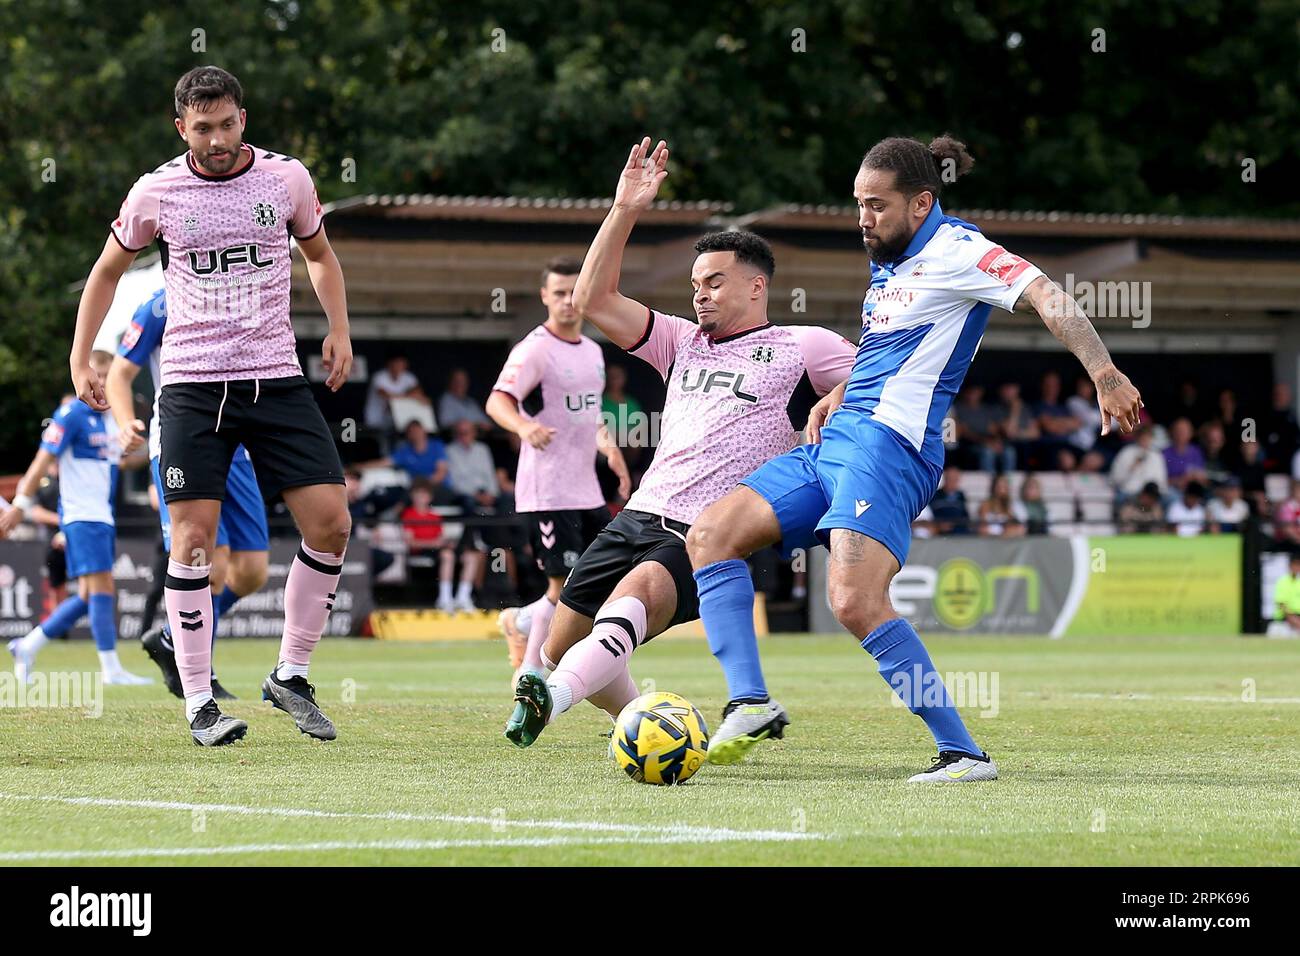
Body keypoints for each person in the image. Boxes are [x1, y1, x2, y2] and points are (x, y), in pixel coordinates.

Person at [683, 133, 1142, 782]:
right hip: (838, 439)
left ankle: (963, 752)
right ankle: (750, 702)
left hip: (890, 447)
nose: (863, 219)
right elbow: (886, 348)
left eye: (876, 206)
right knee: (710, 536)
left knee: (853, 600)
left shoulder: (962, 251)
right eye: (858, 205)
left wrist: (1103, 371)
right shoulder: (889, 261)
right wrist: (836, 393)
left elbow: (1049, 295)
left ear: (922, 204)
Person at [503, 137, 856, 748]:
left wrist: (836, 397)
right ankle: (652, 727)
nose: (700, 293)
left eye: (715, 282)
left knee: (633, 602)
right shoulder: (679, 339)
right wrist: (624, 209)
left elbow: (878, 382)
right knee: (563, 647)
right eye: (696, 283)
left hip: (712, 530)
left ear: (756, 288)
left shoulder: (805, 344)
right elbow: (591, 302)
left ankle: (548, 702)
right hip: (638, 512)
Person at [67, 66, 353, 745]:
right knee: (194, 543)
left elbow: (320, 254)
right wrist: (82, 358)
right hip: (193, 390)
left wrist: (339, 327)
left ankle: (291, 675)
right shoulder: (155, 191)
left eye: (227, 124)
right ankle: (200, 702)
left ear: (242, 120)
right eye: (203, 129)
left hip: (276, 379)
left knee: (332, 524)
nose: (217, 139)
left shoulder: (287, 179)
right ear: (181, 129)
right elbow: (106, 270)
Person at [106, 287, 271, 701]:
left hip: (239, 449)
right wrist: (127, 424)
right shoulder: (161, 304)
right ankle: (199, 675)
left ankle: (170, 636)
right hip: (183, 443)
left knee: (251, 572)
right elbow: (120, 373)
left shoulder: (243, 295)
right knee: (210, 569)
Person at [486, 257, 630, 678]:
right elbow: (497, 401)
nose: (568, 301)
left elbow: (591, 414)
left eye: (575, 292)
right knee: (562, 585)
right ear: (545, 296)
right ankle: (530, 673)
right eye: (560, 292)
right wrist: (523, 426)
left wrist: (610, 449)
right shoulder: (534, 349)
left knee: (600, 582)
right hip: (547, 490)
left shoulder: (592, 352)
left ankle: (521, 621)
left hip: (587, 490)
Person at [4, 351, 151, 686]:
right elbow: (41, 463)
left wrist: (153, 446)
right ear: (85, 375)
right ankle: (111, 670)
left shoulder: (109, 420)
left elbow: (120, 462)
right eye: (98, 373)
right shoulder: (70, 414)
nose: (103, 381)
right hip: (82, 516)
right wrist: (20, 505)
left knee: (88, 596)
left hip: (101, 516)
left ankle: (28, 646)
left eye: (109, 374)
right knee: (103, 588)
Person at [400, 480, 482, 612]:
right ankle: (444, 598)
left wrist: (446, 542)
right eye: (418, 494)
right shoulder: (408, 514)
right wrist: (433, 543)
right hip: (421, 550)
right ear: (412, 496)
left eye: (424, 495)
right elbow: (410, 542)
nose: (421, 498)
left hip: (438, 549)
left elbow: (440, 537)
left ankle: (463, 597)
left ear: (429, 497)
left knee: (471, 557)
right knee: (447, 555)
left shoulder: (434, 516)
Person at [364, 352, 430, 432]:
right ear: (389, 363)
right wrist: (411, 397)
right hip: (376, 420)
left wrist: (418, 397)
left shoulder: (409, 377)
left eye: (401, 363)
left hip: (397, 421)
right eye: (396, 363)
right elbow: (385, 395)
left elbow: (418, 392)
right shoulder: (379, 377)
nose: (399, 366)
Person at [1109, 423, 1167, 501]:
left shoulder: (1157, 456)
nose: (1145, 440)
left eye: (1148, 437)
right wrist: (1132, 467)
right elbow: (1115, 479)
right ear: (1137, 438)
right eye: (1143, 437)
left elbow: (1161, 481)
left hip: (1151, 495)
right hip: (1130, 492)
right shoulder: (1126, 452)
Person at [437, 368, 491, 432]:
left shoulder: (471, 402)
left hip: (478, 438)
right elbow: (445, 424)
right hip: (456, 439)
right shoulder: (446, 400)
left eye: (463, 381)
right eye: (457, 381)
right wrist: (474, 425)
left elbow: (487, 424)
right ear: (450, 382)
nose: (460, 384)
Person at [1163, 418, 1207, 492]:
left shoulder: (1196, 452)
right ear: (1172, 432)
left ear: (1191, 433)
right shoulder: (1164, 453)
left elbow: (1203, 477)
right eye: (1178, 430)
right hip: (1172, 490)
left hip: (1192, 491)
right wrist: (1179, 480)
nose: (1181, 433)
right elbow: (1161, 480)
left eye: (1184, 431)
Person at [928, 465, 971, 534]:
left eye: (955, 479)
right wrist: (939, 525)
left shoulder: (961, 496)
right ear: (945, 479)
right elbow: (930, 514)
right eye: (950, 479)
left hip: (958, 530)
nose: (952, 482)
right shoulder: (935, 495)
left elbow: (965, 516)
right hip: (938, 530)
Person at [1272, 554, 1300, 633]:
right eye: (1294, 565)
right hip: (1283, 623)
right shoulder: (1282, 582)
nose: (1296, 567)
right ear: (1290, 566)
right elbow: (1281, 604)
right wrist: (1293, 619)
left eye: (1298, 565)